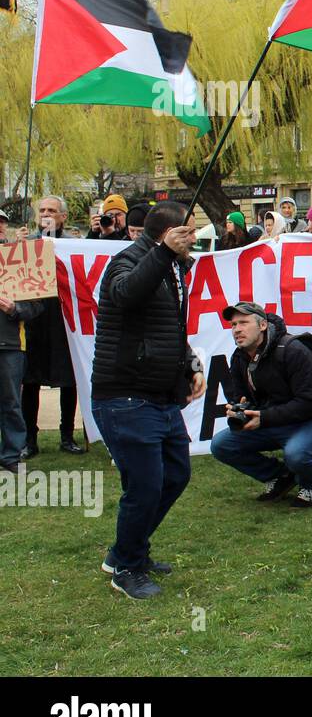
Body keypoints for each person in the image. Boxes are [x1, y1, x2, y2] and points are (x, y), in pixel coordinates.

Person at [92, 201, 205, 599]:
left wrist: (191, 364)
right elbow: (126, 295)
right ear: (167, 234)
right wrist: (161, 253)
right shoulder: (129, 262)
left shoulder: (173, 268)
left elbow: (167, 331)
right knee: (145, 486)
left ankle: (128, 551)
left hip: (157, 397)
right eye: (187, 232)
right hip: (124, 396)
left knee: (175, 475)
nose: (195, 239)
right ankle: (126, 567)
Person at [208, 302, 312, 507]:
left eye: (243, 322)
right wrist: (237, 410)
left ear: (262, 326)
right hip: (272, 421)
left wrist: (264, 418)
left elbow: (309, 402)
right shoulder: (239, 357)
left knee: (295, 454)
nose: (237, 329)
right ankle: (280, 476)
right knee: (220, 444)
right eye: (233, 325)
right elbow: (241, 397)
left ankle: (311, 484)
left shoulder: (294, 350)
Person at [22, 195, 82, 457]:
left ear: (63, 216)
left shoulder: (72, 244)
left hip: (64, 319)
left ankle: (67, 435)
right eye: (42, 210)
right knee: (31, 379)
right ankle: (29, 439)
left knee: (69, 380)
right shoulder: (27, 243)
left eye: (52, 210)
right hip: (34, 320)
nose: (46, 214)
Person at [0, 290, 41, 475]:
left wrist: (15, 309)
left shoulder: (21, 266)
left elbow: (37, 305)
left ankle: (11, 456)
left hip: (11, 345)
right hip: (11, 346)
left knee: (11, 402)